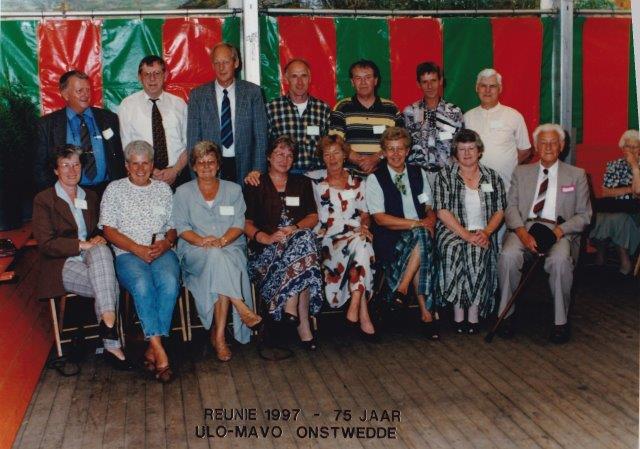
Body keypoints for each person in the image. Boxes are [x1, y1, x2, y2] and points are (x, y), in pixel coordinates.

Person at [32, 144, 131, 370]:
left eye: (76, 164)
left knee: (101, 251)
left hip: (93, 258)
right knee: (109, 283)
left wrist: (99, 238)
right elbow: (46, 244)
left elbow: (98, 229)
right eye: (65, 165)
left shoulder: (91, 196)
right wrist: (81, 244)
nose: (72, 170)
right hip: (60, 263)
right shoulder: (44, 200)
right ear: (55, 170)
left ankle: (108, 322)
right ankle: (111, 340)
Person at [497, 124, 592, 344]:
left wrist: (559, 231)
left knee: (560, 261)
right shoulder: (521, 172)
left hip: (558, 230)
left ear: (562, 145)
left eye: (553, 142)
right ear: (536, 147)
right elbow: (510, 207)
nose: (548, 147)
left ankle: (560, 322)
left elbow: (584, 215)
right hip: (525, 227)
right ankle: (505, 315)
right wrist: (522, 233)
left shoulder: (577, 175)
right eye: (543, 143)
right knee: (508, 256)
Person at [173, 141, 262, 362]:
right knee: (217, 258)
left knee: (219, 259)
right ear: (193, 166)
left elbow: (238, 224)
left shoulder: (233, 190)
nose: (206, 166)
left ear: (218, 164)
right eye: (201, 162)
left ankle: (219, 336)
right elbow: (181, 228)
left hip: (230, 247)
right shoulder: (182, 192)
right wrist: (203, 241)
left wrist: (221, 241)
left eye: (211, 162)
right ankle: (240, 306)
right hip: (195, 250)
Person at [100, 140, 180, 382]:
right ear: (126, 165)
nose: (140, 168)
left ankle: (152, 348)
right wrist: (136, 248)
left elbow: (173, 227)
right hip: (128, 253)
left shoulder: (163, 190)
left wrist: (166, 243)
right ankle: (160, 351)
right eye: (135, 163)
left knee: (169, 282)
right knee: (143, 285)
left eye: (145, 163)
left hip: (160, 250)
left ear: (153, 165)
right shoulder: (114, 190)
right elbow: (108, 230)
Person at [244, 136, 323, 350]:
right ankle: (302, 325)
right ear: (268, 157)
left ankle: (291, 307)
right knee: (305, 252)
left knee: (302, 240)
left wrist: (294, 228)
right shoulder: (255, 183)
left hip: (297, 244)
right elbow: (246, 223)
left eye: (289, 155)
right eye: (279, 154)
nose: (284, 159)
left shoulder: (302, 183)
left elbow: (312, 217)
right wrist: (266, 237)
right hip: (267, 250)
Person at [366, 127, 438, 338]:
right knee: (422, 239)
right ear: (384, 152)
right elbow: (380, 218)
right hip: (390, 237)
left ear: (407, 151)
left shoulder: (418, 173)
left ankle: (402, 290)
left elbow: (428, 205)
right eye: (390, 149)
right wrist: (417, 224)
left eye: (400, 149)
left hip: (418, 234)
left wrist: (430, 218)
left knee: (422, 239)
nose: (395, 154)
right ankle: (426, 313)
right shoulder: (375, 178)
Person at [433, 129, 506, 334]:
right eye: (461, 149)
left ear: (479, 151)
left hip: (483, 230)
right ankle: (458, 315)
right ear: (455, 153)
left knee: (477, 251)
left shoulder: (492, 176)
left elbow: (500, 210)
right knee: (454, 249)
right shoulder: (444, 175)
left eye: (471, 148)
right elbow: (442, 211)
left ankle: (473, 315)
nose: (467, 153)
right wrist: (465, 235)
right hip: (452, 229)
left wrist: (487, 232)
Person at [307, 135, 377, 340]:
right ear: (322, 158)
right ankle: (362, 313)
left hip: (354, 233)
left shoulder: (357, 181)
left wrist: (364, 227)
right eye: (327, 154)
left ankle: (354, 307)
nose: (332, 158)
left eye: (336, 153)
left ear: (345, 155)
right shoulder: (312, 181)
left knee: (362, 242)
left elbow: (365, 213)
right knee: (363, 248)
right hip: (327, 239)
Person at [187, 42, 267, 183]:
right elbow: (193, 139)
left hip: (246, 167)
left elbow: (260, 135)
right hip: (209, 168)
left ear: (236, 63)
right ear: (213, 66)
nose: (221, 67)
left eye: (226, 62)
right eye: (217, 63)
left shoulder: (253, 92)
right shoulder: (198, 96)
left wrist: (258, 169)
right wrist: (196, 174)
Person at [35, 70, 125, 195]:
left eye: (88, 90)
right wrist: (54, 197)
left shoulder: (109, 119)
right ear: (65, 94)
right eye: (79, 91)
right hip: (67, 193)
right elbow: (40, 167)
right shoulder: (47, 124)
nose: (85, 94)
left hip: (108, 192)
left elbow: (119, 158)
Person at [118, 55, 190, 188]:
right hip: (143, 175)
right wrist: (151, 170)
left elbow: (188, 143)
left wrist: (174, 171)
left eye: (157, 73)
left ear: (165, 75)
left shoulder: (179, 104)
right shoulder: (127, 106)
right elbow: (125, 146)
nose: (152, 78)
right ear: (139, 77)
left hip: (178, 175)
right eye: (147, 74)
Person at [330, 59, 404, 175]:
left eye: (368, 77)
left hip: (384, 174)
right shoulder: (342, 107)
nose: (363, 83)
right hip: (349, 176)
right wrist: (357, 158)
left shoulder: (391, 108)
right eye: (358, 78)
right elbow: (335, 140)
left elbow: (401, 141)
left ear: (375, 81)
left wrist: (376, 158)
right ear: (352, 82)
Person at [464, 68, 531, 189]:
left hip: (506, 187)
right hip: (475, 189)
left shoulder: (514, 116)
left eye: (492, 86)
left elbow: (524, 150)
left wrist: (507, 164)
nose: (487, 90)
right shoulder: (467, 118)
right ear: (477, 88)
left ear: (500, 89)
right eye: (483, 86)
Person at [265, 59, 331, 173]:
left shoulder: (323, 109)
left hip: (317, 175)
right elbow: (264, 145)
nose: (300, 82)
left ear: (310, 79)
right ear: (286, 80)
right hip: (285, 175)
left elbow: (329, 146)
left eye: (304, 76)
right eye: (294, 76)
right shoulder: (272, 109)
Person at [403, 62, 464, 186]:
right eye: (425, 82)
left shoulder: (454, 112)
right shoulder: (409, 112)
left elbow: (461, 145)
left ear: (440, 81)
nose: (429, 86)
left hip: (447, 175)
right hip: (416, 175)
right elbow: (403, 144)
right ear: (418, 84)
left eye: (433, 81)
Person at [590, 129, 640, 275]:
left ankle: (624, 259)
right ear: (622, 148)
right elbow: (606, 192)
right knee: (599, 217)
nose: (631, 150)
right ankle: (601, 252)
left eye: (635, 146)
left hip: (635, 211)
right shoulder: (614, 165)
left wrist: (635, 167)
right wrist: (630, 189)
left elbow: (638, 192)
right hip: (613, 207)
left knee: (620, 218)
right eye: (628, 146)